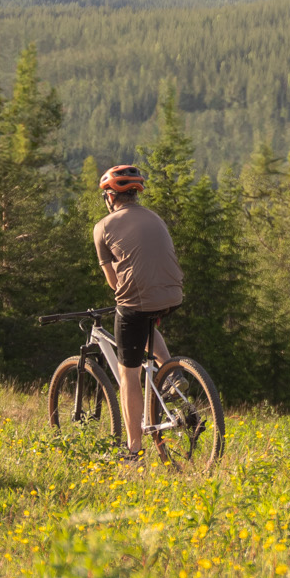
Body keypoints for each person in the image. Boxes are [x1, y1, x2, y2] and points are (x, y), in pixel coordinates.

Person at [91, 163, 184, 457]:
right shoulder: (154, 217)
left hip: (136, 301)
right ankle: (171, 372)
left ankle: (133, 450)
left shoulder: (102, 227)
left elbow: (113, 281)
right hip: (172, 295)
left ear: (110, 196)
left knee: (128, 375)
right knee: (145, 322)